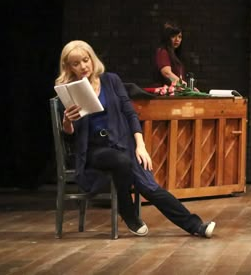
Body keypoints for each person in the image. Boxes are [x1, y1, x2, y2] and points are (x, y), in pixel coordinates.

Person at [57, 40, 215, 238]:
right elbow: (70, 135)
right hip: (94, 150)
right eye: (76, 64)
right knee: (120, 161)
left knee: (150, 187)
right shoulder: (70, 89)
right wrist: (66, 122)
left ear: (92, 58)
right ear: (68, 67)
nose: (83, 67)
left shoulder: (111, 81)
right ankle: (127, 208)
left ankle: (196, 225)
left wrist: (141, 146)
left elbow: (130, 114)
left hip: (124, 144)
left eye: (85, 60)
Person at [154, 21, 186, 86]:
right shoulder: (163, 51)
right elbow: (167, 73)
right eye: (173, 36)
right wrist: (185, 86)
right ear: (167, 37)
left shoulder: (174, 54)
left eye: (180, 37)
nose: (177, 39)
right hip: (163, 93)